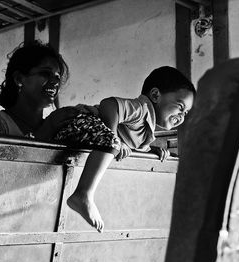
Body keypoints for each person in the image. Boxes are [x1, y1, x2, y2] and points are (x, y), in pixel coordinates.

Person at [39, 66, 196, 232]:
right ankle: (83, 194)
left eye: (186, 113)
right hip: (75, 120)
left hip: (79, 133)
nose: (182, 116)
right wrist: (114, 139)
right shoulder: (141, 109)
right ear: (156, 95)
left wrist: (151, 151)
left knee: (112, 143)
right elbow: (110, 105)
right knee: (112, 142)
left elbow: (127, 142)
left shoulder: (146, 131)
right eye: (180, 106)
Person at [0, 40, 72, 137]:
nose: (55, 82)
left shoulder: (58, 127)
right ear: (19, 79)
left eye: (57, 77)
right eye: (45, 73)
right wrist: (50, 126)